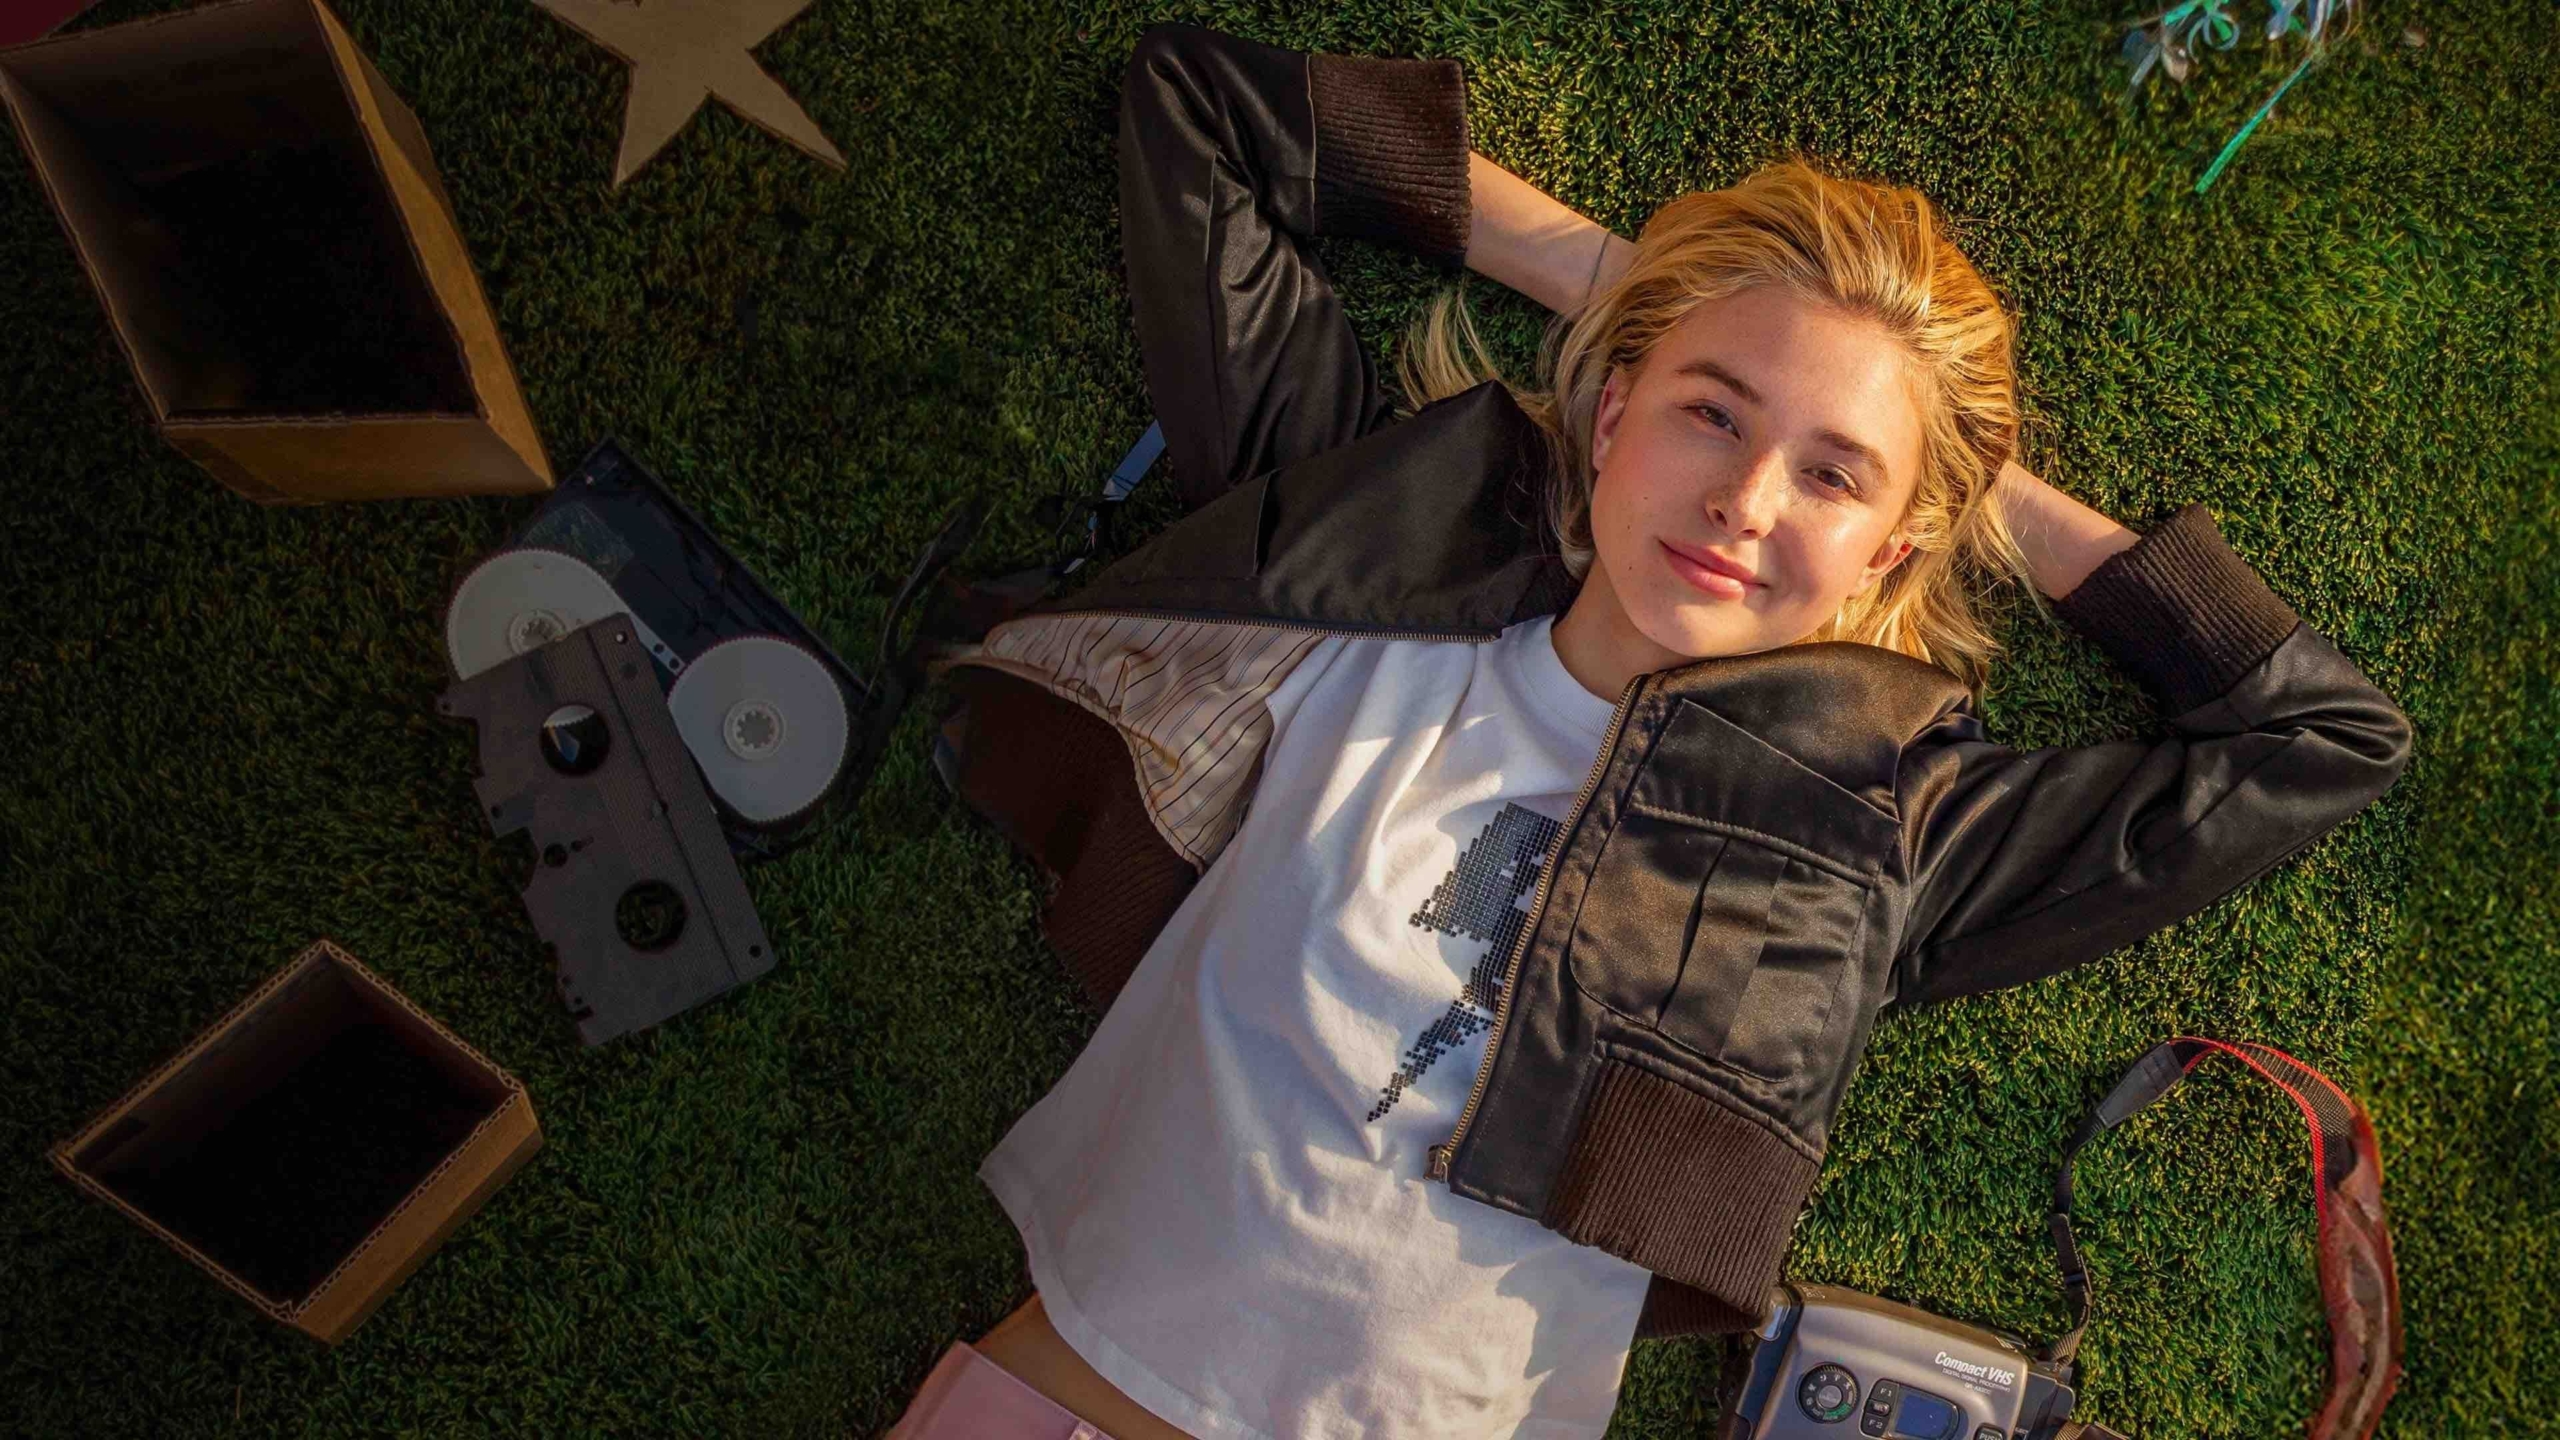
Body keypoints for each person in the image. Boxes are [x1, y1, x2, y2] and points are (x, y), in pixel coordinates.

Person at [889, 21, 2413, 1440]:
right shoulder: (1368, 550)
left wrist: (1957, 463)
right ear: (1614, 414)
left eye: (1832, 475)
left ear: (1892, 547)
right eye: (1711, 412)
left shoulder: (1883, 834)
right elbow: (1202, 112)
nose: (1744, 501)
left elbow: (2319, 740)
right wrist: (1660, 297)